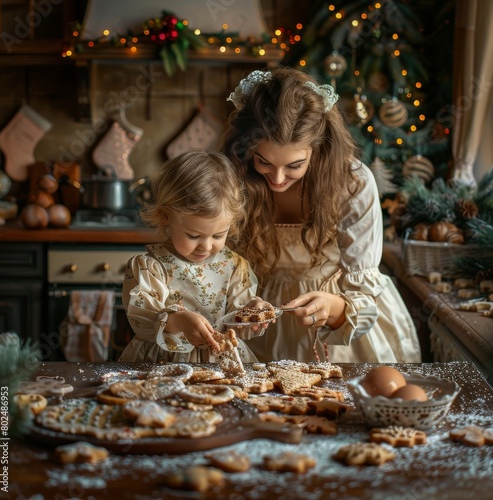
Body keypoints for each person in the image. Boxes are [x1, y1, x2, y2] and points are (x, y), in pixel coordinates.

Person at [222, 67, 422, 363]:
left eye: (294, 165)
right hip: (258, 316)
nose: (277, 179)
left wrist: (336, 308)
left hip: (341, 316)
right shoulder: (232, 175)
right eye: (263, 162)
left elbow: (363, 290)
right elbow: (218, 265)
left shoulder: (351, 182)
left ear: (318, 148)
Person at [118, 150, 267, 364]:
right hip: (164, 361)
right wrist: (177, 321)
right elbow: (141, 316)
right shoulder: (150, 267)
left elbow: (238, 319)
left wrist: (252, 313)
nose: (206, 246)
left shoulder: (234, 266)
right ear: (165, 217)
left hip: (220, 360)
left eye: (218, 235)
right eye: (194, 235)